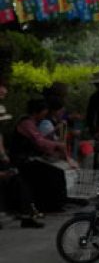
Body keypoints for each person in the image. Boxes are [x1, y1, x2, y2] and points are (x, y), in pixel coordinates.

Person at [9, 99, 77, 213]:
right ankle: (52, 205)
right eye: (43, 114)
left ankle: (58, 202)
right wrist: (57, 144)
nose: (44, 117)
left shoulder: (32, 123)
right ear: (36, 112)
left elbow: (40, 139)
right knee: (54, 172)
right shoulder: (27, 123)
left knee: (57, 170)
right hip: (23, 159)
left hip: (29, 157)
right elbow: (39, 141)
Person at [0, 75, 44, 228]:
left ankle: (27, 214)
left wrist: (4, 155)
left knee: (20, 181)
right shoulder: (26, 122)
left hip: (6, 157)